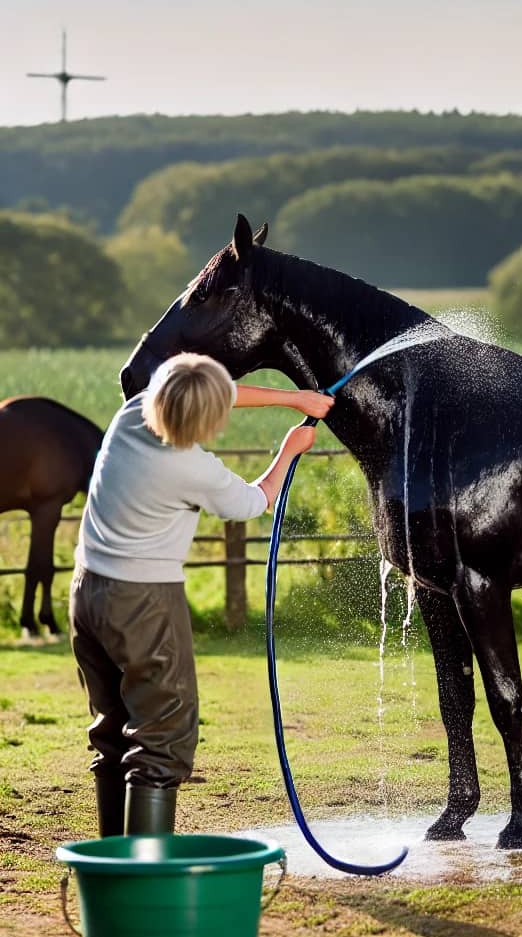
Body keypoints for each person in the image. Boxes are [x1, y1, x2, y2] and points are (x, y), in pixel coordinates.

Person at [69, 353, 333, 837]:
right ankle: (144, 881)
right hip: (144, 602)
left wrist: (294, 398)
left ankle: (113, 864)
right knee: (163, 736)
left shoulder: (133, 414)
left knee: (112, 730)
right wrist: (289, 450)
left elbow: (213, 389)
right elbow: (255, 501)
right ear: (208, 418)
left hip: (87, 592)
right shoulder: (191, 467)